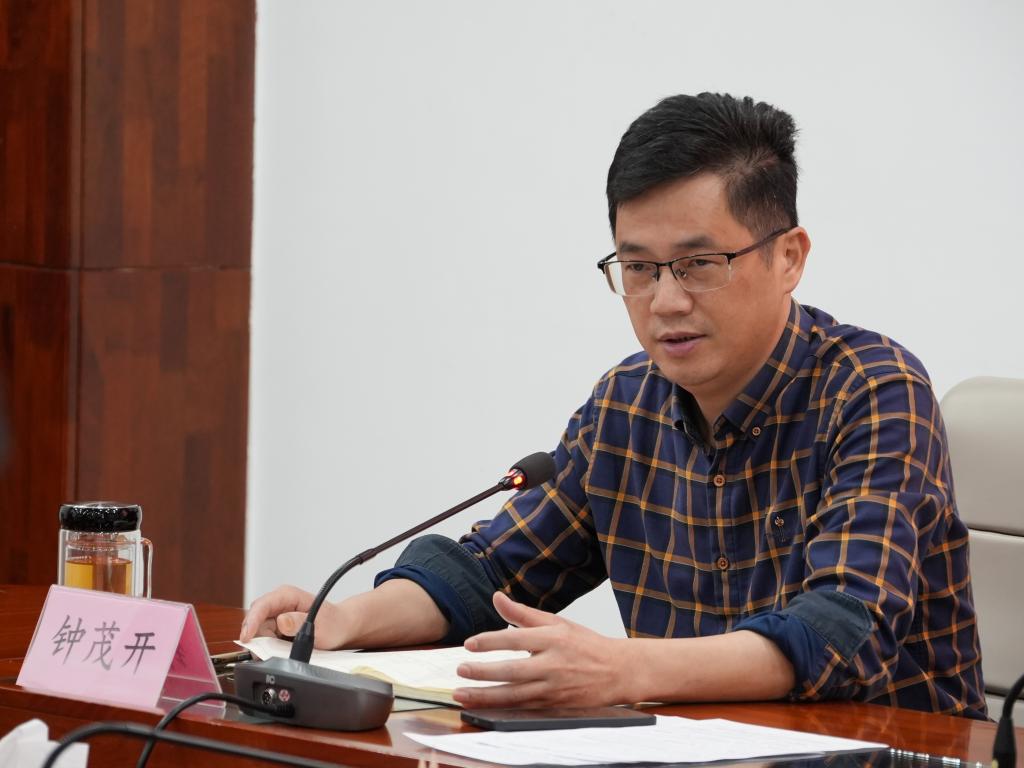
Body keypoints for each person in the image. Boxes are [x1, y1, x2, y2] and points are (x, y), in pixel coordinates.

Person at [241, 93, 986, 719]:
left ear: (788, 257)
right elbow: (489, 573)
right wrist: (341, 621)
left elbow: (843, 633)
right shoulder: (628, 403)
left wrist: (623, 669)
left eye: (699, 264)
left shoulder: (874, 390)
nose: (665, 301)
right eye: (638, 267)